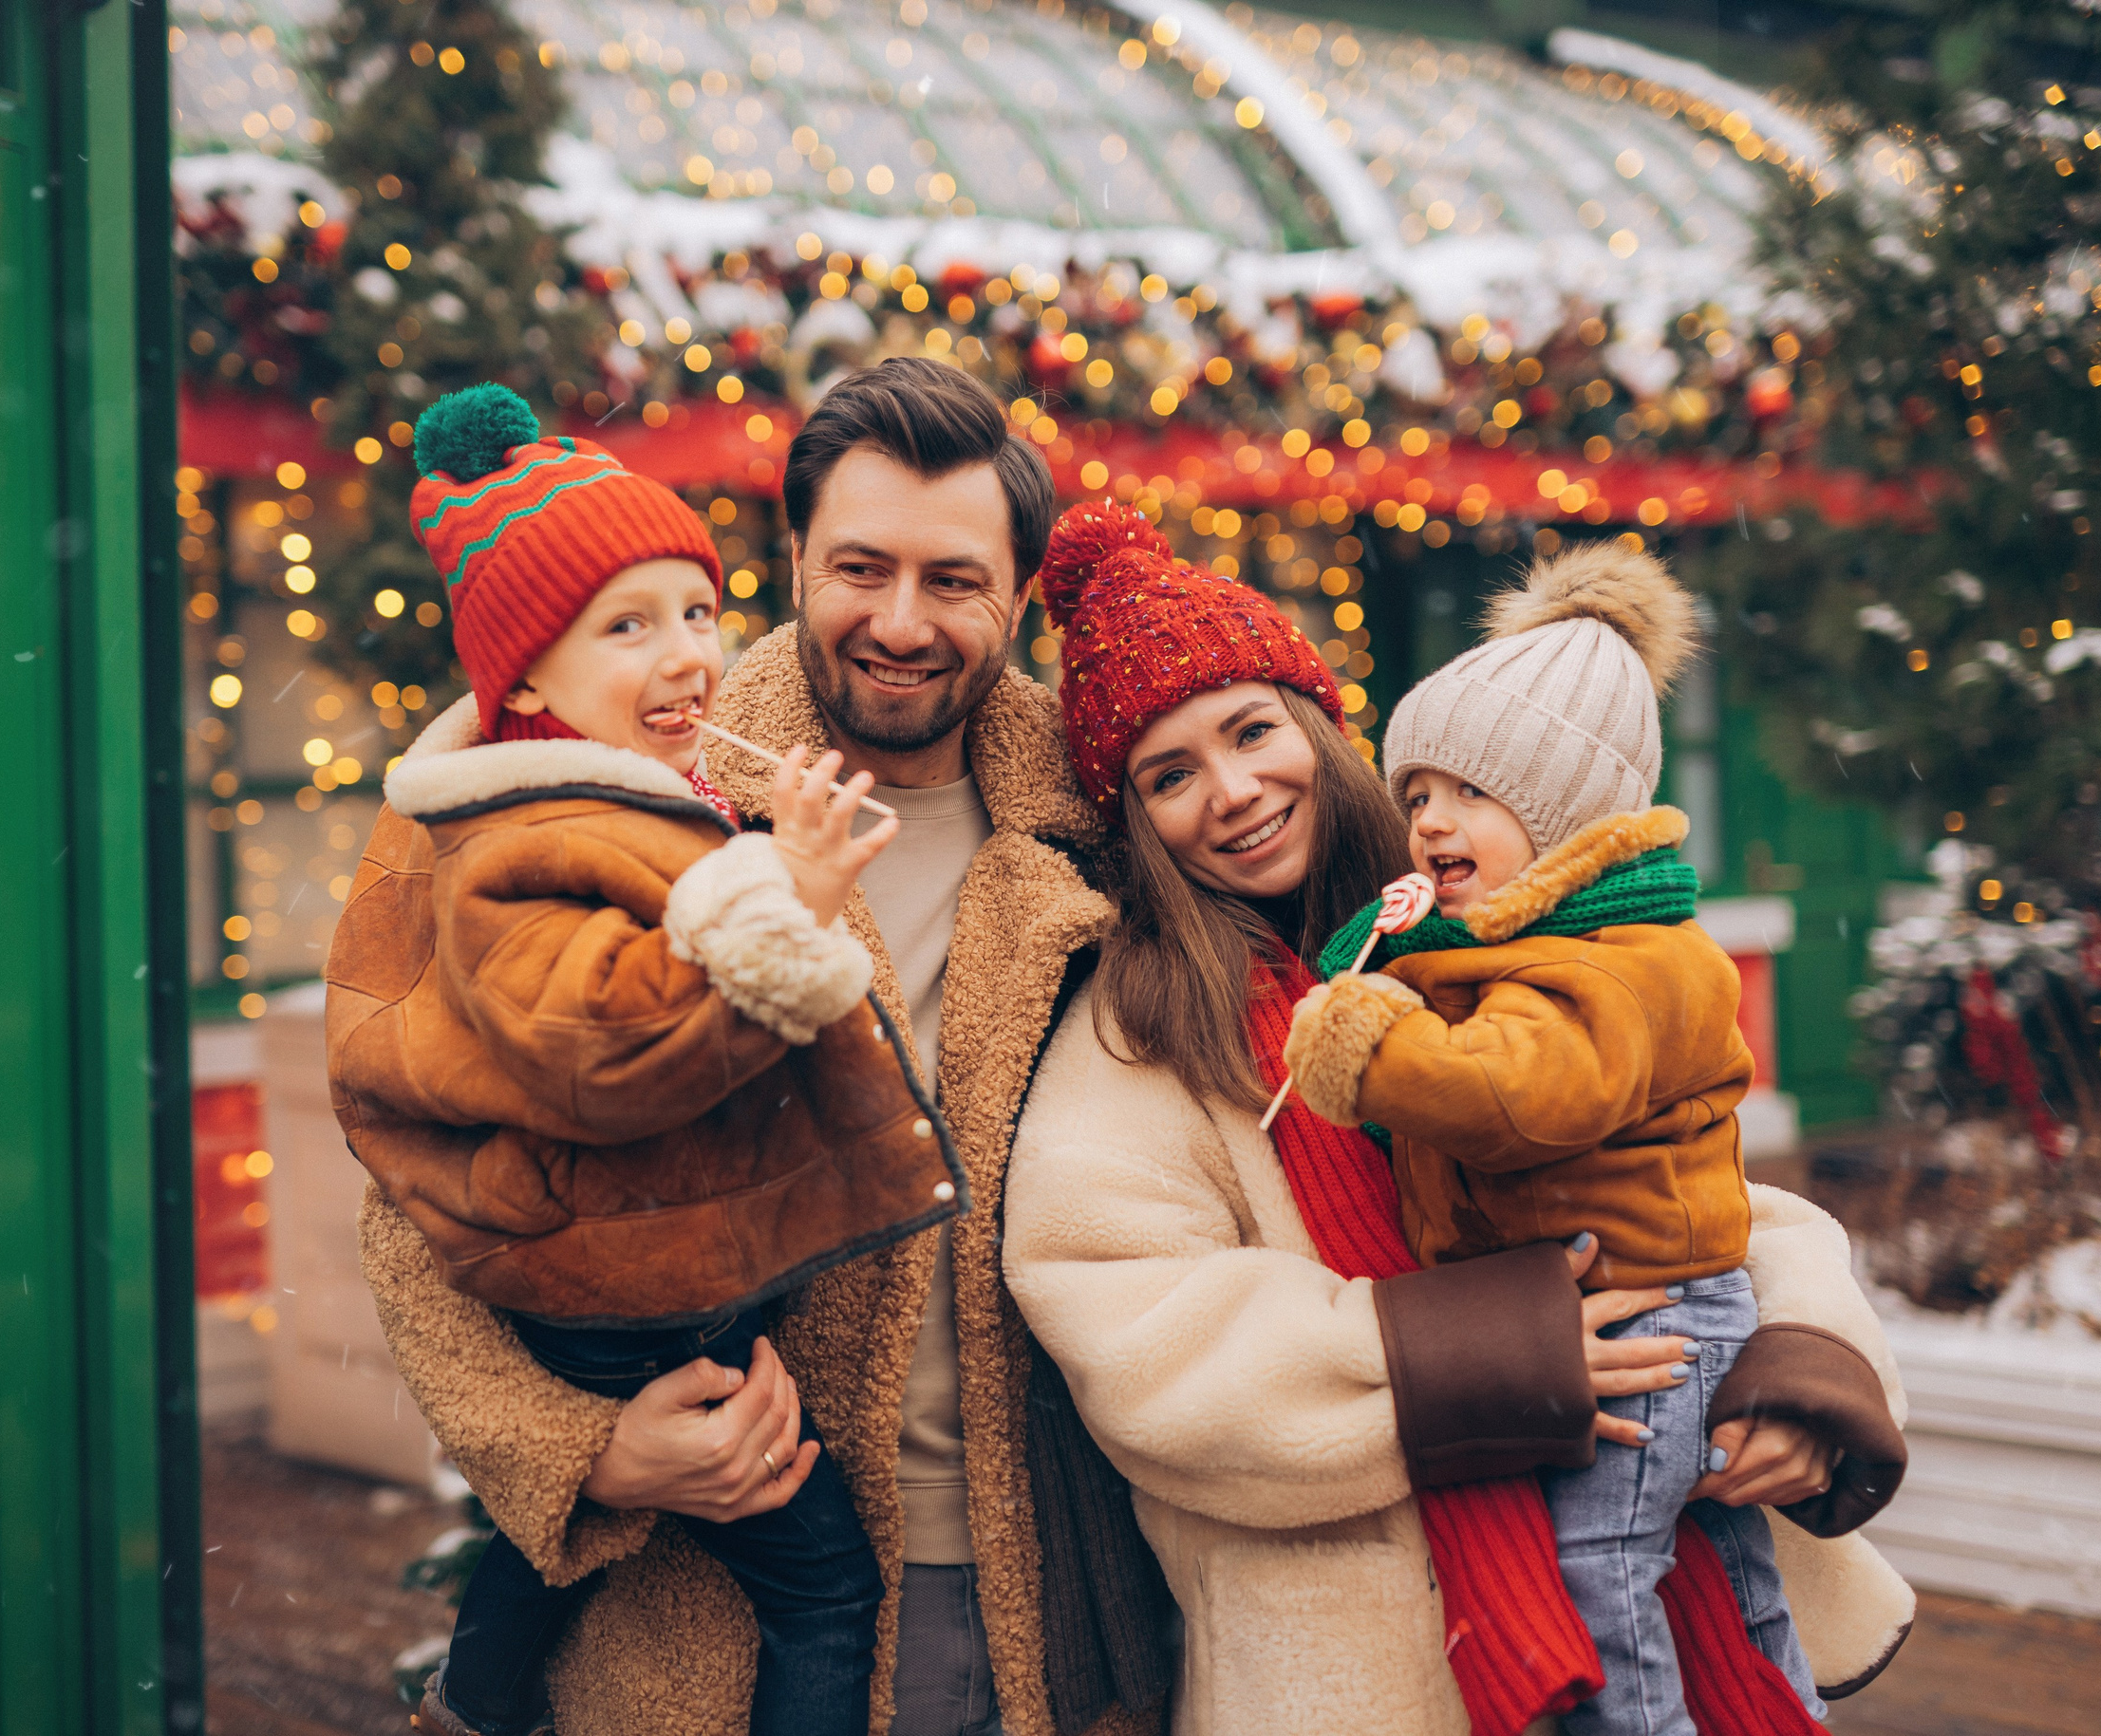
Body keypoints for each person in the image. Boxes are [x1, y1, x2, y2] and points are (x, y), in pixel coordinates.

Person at [350, 359, 1175, 1736]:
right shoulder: (611, 783)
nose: (900, 623)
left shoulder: (1115, 810)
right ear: (791, 559)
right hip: (699, 1611)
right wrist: (590, 1452)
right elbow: (415, 1193)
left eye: (954, 580)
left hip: (1056, 1600)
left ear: (1020, 595)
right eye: (860, 567)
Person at [1004, 501, 1918, 1735]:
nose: (1231, 790)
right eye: (1169, 774)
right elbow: (1137, 1339)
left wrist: (1795, 1376)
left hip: (1665, 1573)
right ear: (1135, 820)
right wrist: (1493, 1357)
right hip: (1363, 1672)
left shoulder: (1515, 920)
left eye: (1252, 730)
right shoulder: (1135, 1029)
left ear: (1322, 728)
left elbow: (1708, 1189)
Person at [1281, 542, 1818, 1733]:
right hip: (1640, 1305)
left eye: (1469, 794)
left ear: (1570, 808)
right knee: (1729, 1576)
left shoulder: (1622, 963)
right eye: (1414, 795)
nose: (1428, 822)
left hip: (1651, 1320)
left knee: (1601, 1578)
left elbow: (1527, 1095)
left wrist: (1374, 1044)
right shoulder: (1526, 947)